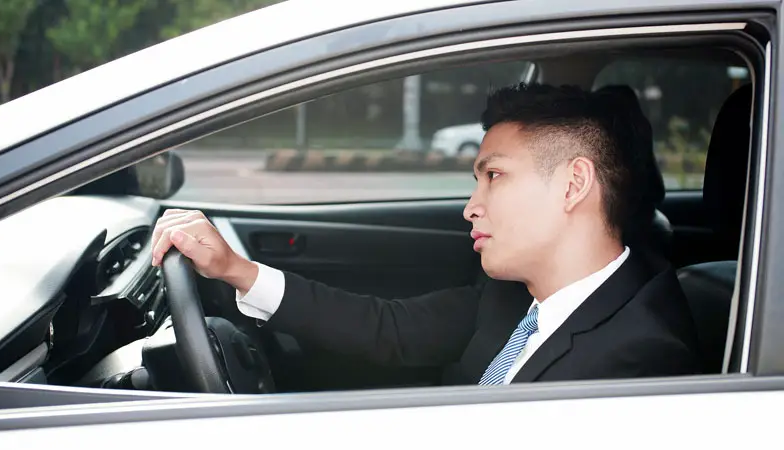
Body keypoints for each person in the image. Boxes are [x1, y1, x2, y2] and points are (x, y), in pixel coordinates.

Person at [150, 83, 703, 386]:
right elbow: (387, 328)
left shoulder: (640, 364)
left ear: (573, 185)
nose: (471, 207)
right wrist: (237, 271)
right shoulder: (516, 297)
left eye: (494, 176)